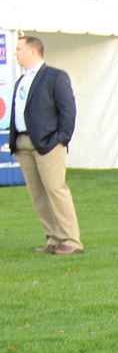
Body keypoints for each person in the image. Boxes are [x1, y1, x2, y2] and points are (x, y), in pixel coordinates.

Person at [9, 36, 82, 255]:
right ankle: (53, 237)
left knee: (56, 190)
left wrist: (60, 139)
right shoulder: (21, 80)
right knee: (38, 194)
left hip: (48, 143)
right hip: (23, 144)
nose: (16, 53)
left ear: (33, 51)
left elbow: (68, 111)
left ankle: (71, 240)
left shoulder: (55, 76)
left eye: (19, 49)